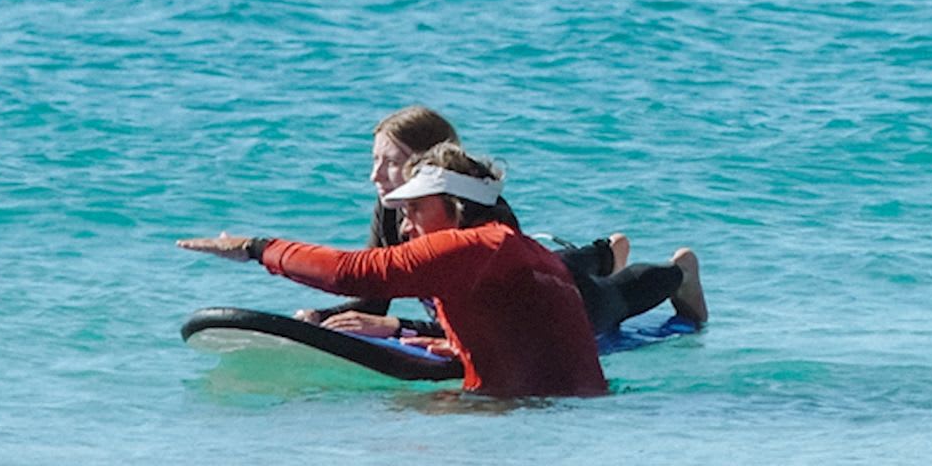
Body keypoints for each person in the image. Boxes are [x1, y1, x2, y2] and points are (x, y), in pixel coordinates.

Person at [178, 144, 612, 399]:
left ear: (456, 207)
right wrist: (461, 347)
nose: (405, 227)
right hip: (562, 419)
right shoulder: (522, 249)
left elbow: (351, 273)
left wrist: (256, 247)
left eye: (415, 209)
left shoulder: (474, 245)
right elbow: (534, 341)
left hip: (515, 417)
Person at [297, 106, 705, 337]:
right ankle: (605, 253)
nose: (375, 175)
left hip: (549, 303)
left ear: (427, 164)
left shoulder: (479, 211)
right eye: (374, 160)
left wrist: (395, 327)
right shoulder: (390, 208)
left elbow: (495, 321)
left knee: (609, 300)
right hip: (539, 269)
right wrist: (321, 318)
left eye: (390, 162)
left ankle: (679, 272)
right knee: (561, 261)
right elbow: (374, 295)